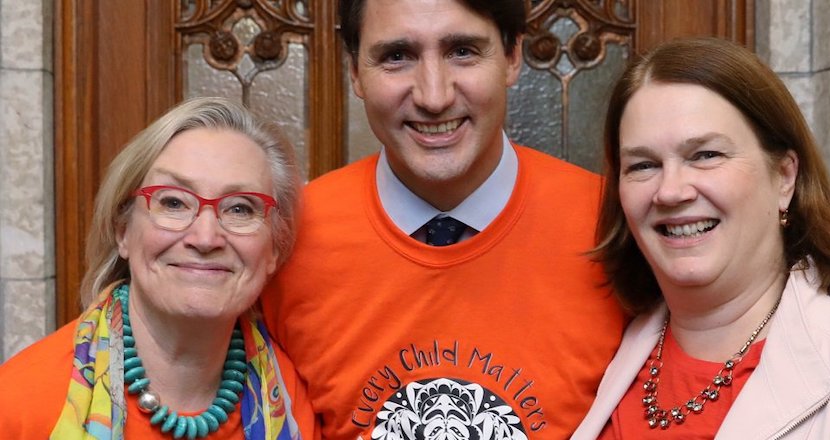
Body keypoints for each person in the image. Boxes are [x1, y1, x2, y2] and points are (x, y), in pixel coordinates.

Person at [259, 0, 625, 439]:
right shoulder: (286, 238)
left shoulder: (615, 226)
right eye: (397, 56)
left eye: (463, 51)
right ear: (355, 72)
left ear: (511, 58)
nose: (434, 96)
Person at [571, 37, 830, 439]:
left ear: (784, 177)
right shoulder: (608, 348)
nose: (671, 191)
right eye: (643, 165)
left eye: (706, 155)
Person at [0, 97, 317, 439]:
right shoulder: (21, 404)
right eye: (173, 202)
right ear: (123, 230)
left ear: (275, 246)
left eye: (240, 209)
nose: (205, 237)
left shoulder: (290, 396)